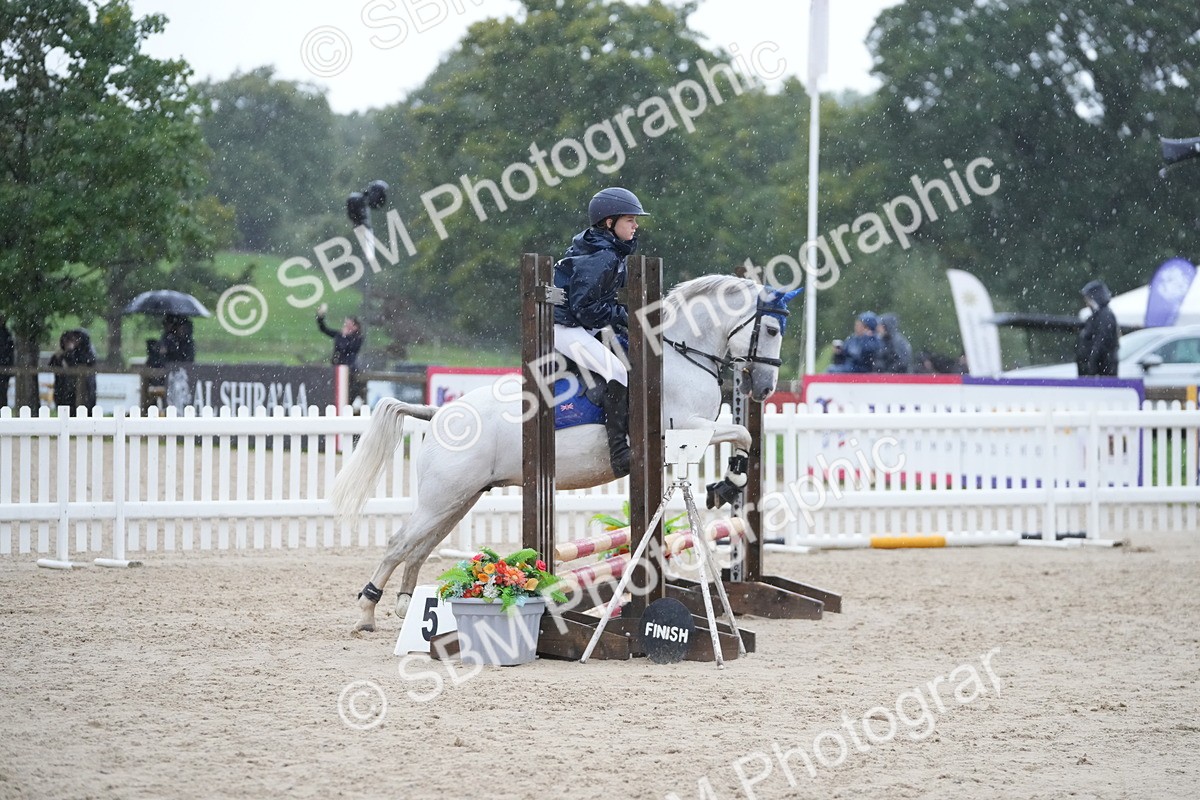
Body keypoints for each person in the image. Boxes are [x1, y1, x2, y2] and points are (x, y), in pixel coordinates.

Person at [552, 187, 650, 479]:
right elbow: (586, 310)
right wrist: (627, 317)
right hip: (567, 328)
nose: (636, 225)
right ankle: (620, 453)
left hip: (583, 324)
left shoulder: (606, 250)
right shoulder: (603, 256)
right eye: (630, 220)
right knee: (618, 371)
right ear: (609, 222)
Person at [316, 304, 365, 401]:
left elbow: (346, 348)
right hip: (336, 367)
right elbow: (324, 329)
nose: (345, 326)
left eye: (348, 324)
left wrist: (344, 337)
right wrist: (320, 317)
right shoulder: (340, 335)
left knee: (348, 393)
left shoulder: (357, 338)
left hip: (349, 369)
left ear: (355, 326)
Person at [1076, 279, 1119, 377]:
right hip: (1096, 371)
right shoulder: (1096, 316)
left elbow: (1101, 342)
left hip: (1101, 371)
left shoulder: (1105, 316)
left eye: (1088, 299)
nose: (1086, 303)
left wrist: (1092, 362)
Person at [49, 328, 97, 412]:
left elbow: (79, 363)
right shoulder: (60, 355)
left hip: (83, 390)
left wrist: (70, 352)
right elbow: (53, 365)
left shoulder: (85, 353)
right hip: (63, 390)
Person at [0, 315, 13, 408]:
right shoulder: (6, 334)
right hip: (5, 364)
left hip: (4, 365)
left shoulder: (6, 334)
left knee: (3, 391)